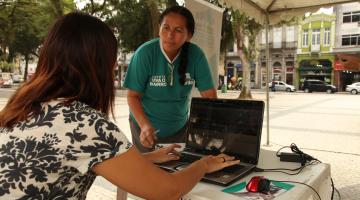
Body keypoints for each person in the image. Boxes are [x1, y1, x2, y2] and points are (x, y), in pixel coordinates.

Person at [0, 12, 239, 200]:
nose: (114, 67)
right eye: (112, 59)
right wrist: (204, 164)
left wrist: (148, 158)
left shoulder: (20, 105)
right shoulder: (86, 125)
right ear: (99, 65)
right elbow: (169, 191)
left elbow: (76, 158)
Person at [124, 6, 217, 153]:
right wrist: (145, 125)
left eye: (178, 30)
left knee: (176, 170)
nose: (170, 35)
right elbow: (132, 96)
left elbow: (209, 96)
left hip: (179, 129)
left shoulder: (196, 55)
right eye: (166, 28)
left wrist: (210, 125)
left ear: (189, 35)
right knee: (148, 171)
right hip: (145, 129)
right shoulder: (145, 53)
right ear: (159, 29)